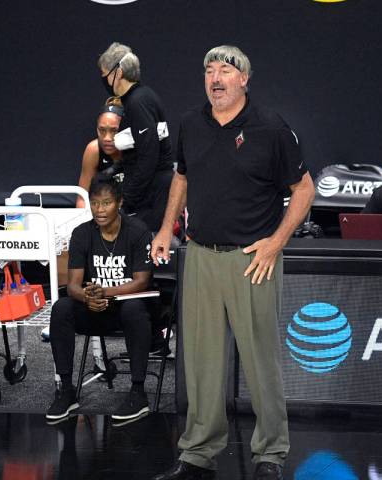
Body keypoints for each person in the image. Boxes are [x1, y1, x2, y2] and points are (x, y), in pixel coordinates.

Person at [150, 46, 315, 480]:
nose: (216, 78)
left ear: (245, 79)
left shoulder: (271, 128)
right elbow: (181, 177)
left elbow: (304, 190)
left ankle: (270, 455)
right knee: (201, 363)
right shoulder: (190, 123)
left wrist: (275, 243)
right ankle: (198, 452)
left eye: (226, 70)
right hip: (201, 255)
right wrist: (166, 229)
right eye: (209, 70)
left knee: (261, 361)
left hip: (251, 260)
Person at [46, 178, 154, 424]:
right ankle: (66, 389)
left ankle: (138, 392)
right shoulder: (82, 233)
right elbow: (73, 284)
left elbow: (141, 282)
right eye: (95, 203)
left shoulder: (137, 231)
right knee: (61, 308)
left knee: (135, 309)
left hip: (124, 307)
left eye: (106, 203)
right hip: (94, 307)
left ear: (119, 203)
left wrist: (104, 292)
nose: (100, 209)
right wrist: (87, 296)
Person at [98, 42, 173, 232]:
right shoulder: (142, 97)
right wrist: (115, 169)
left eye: (105, 74)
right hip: (150, 191)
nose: (104, 80)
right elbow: (139, 150)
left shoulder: (137, 103)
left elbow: (149, 155)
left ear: (118, 73)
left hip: (152, 197)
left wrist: (127, 199)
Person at [75, 98, 125, 208]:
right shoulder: (93, 150)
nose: (107, 138)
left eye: (114, 131)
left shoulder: (137, 149)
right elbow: (82, 199)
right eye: (102, 130)